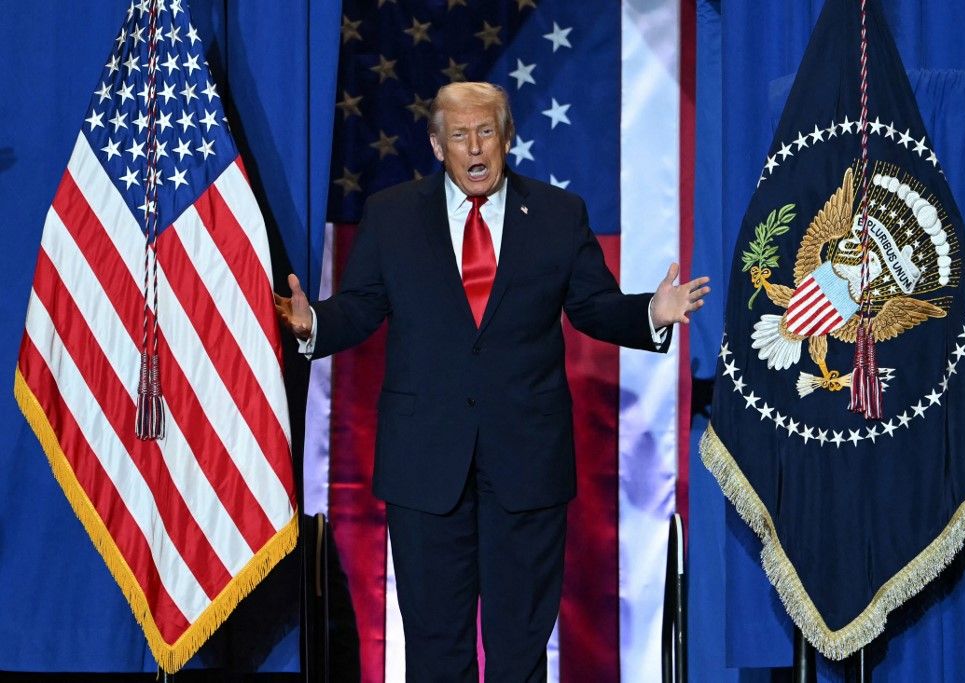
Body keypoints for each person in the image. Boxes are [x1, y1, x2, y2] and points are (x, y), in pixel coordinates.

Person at [276, 82, 710, 682]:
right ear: (436, 144)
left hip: (526, 466)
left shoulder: (559, 215)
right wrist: (312, 323)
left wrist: (649, 314)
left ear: (507, 139)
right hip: (426, 465)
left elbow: (592, 306)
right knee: (435, 649)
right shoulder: (392, 216)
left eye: (486, 133)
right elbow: (360, 307)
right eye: (459, 135)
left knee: (519, 651)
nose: (475, 149)